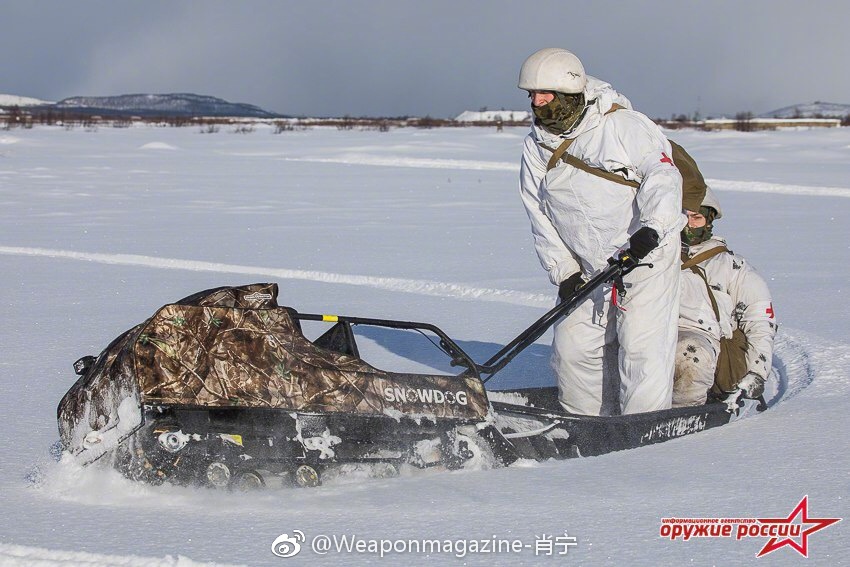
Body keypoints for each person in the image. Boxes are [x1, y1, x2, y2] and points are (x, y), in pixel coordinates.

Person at [518, 48, 685, 416]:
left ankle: (642, 433)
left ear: (568, 93)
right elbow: (538, 213)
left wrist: (652, 231)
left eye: (544, 93)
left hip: (645, 259)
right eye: (531, 94)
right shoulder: (535, 147)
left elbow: (663, 176)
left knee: (642, 350)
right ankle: (585, 429)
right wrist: (565, 272)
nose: (536, 101)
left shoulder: (623, 125)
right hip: (590, 267)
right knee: (574, 347)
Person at [675, 187, 777, 406]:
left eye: (697, 217)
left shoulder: (735, 267)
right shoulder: (651, 258)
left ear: (709, 220)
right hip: (650, 332)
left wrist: (757, 372)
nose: (688, 224)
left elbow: (760, 321)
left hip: (703, 342)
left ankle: (683, 416)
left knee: (690, 354)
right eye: (682, 216)